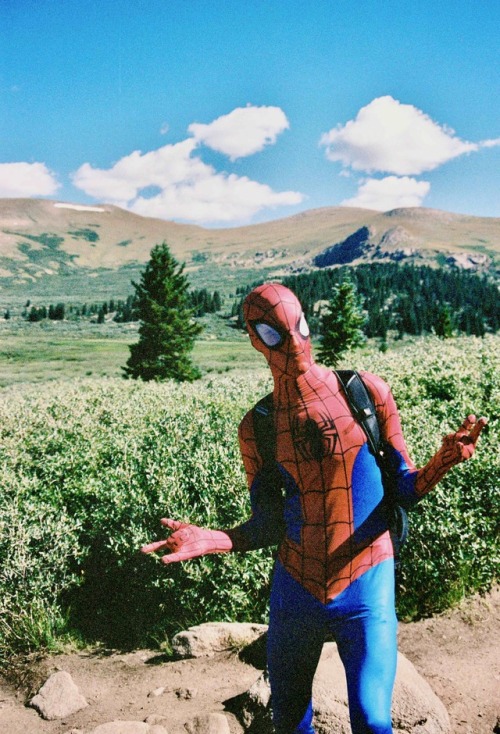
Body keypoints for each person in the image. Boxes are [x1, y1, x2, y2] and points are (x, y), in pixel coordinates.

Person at [141, 283, 486, 734]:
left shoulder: (366, 393)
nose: (295, 344)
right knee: (289, 720)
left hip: (367, 577)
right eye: (274, 334)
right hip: (297, 586)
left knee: (373, 720)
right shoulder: (258, 427)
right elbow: (267, 524)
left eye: (298, 327)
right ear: (253, 337)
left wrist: (442, 462)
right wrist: (213, 539)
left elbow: (403, 487)